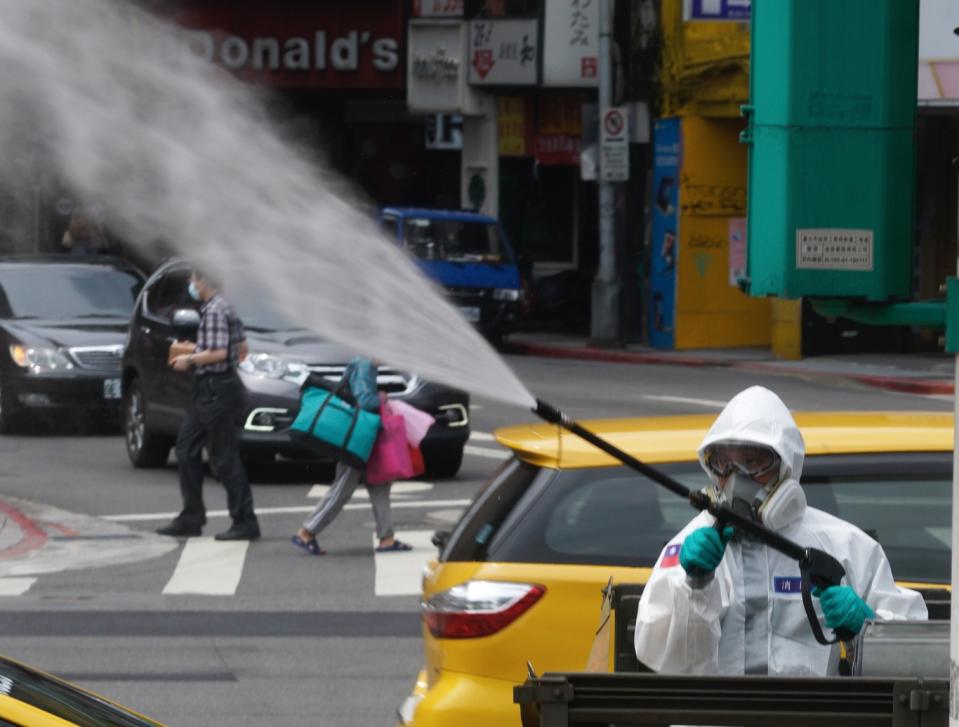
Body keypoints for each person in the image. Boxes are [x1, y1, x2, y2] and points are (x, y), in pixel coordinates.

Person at [634, 385, 926, 677]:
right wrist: (694, 588)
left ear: (786, 465)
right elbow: (663, 659)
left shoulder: (845, 547)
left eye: (753, 462)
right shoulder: (690, 548)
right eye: (724, 464)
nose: (737, 480)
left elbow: (917, 657)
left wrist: (867, 629)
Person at [156, 268, 260, 541]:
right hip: (216, 389)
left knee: (224, 458)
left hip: (215, 391)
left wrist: (189, 359)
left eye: (193, 279)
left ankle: (245, 521)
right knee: (187, 449)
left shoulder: (214, 311)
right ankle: (191, 516)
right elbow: (242, 348)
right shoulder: (225, 306)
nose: (191, 284)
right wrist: (196, 348)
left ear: (203, 282)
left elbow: (220, 353)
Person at [291, 357, 411, 556]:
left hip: (364, 437)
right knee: (342, 489)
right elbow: (364, 401)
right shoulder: (365, 365)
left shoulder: (365, 364)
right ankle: (307, 531)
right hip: (356, 440)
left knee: (380, 485)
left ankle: (386, 538)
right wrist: (381, 398)